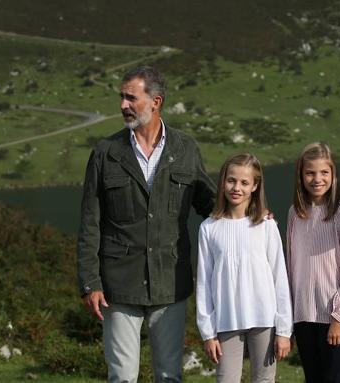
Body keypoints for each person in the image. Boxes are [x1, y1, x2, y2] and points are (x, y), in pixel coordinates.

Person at [76, 66, 216, 383]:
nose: (123, 105)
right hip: (117, 286)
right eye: (122, 98)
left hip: (170, 282)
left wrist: (252, 217)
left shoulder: (185, 149)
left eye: (131, 98)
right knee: (122, 377)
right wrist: (90, 281)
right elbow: (89, 222)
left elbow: (210, 205)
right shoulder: (105, 153)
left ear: (155, 101)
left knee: (169, 376)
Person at [196, 153, 292, 383]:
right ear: (222, 182)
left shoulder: (266, 226)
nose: (236, 187)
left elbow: (280, 277)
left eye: (244, 182)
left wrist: (284, 330)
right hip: (226, 319)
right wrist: (208, 333)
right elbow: (203, 283)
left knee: (264, 380)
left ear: (255, 186)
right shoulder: (209, 228)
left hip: (264, 319)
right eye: (231, 180)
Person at [286, 142, 340, 383]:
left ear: (333, 174)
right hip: (303, 316)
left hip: (334, 316)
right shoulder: (294, 213)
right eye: (310, 172)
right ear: (301, 175)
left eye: (324, 172)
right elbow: (290, 266)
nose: (317, 179)